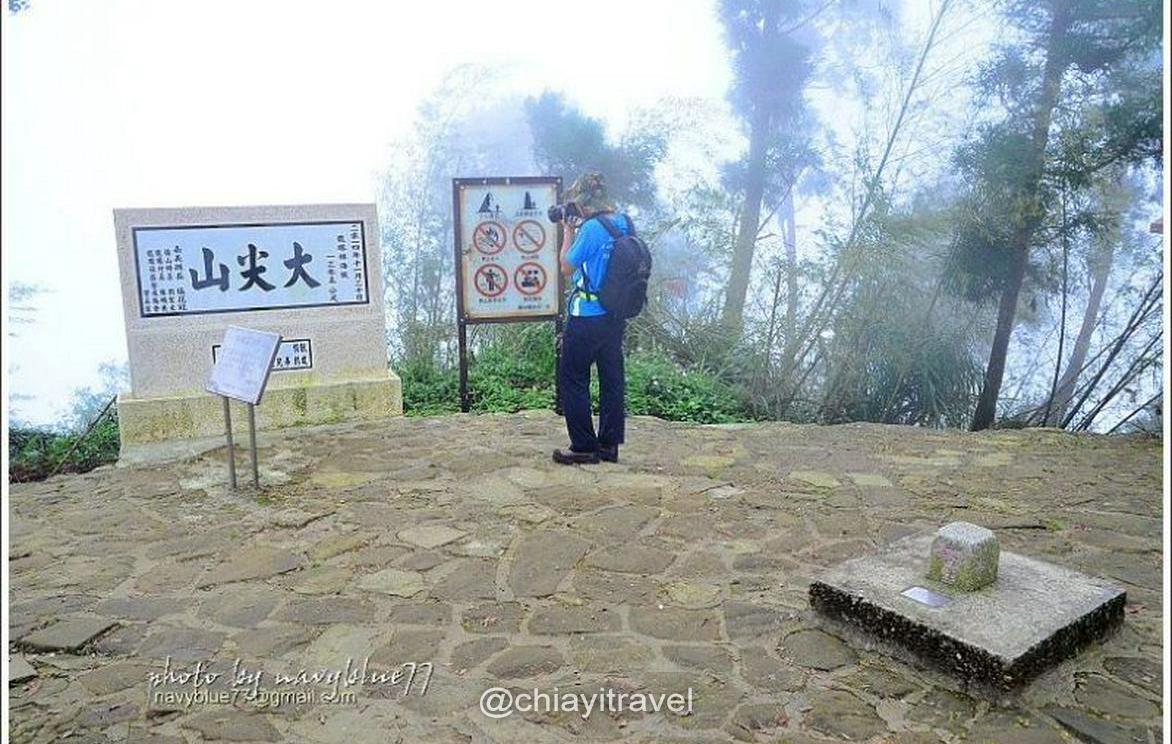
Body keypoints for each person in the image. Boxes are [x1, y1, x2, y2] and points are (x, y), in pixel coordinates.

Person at [552, 172, 631, 465]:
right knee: (612, 379)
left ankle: (583, 445)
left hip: (586, 316)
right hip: (616, 315)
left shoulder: (590, 229)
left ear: (583, 203)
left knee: (574, 378)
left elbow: (566, 267)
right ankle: (609, 445)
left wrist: (568, 231)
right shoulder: (624, 223)